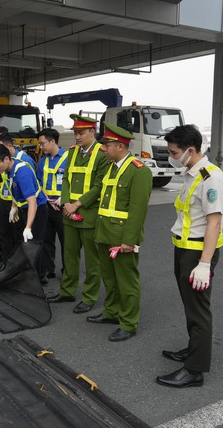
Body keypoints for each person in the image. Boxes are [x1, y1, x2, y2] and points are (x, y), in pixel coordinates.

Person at [156, 125, 223, 388]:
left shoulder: (212, 179)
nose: (170, 155)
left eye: (174, 151)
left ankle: (194, 370)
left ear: (190, 150)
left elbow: (214, 223)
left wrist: (204, 264)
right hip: (185, 248)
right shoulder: (192, 174)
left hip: (198, 252)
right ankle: (193, 348)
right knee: (190, 304)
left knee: (199, 310)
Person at [87, 123, 152, 342]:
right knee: (110, 278)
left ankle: (128, 323)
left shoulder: (139, 171)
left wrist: (129, 240)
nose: (103, 149)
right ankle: (111, 312)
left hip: (122, 237)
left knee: (127, 281)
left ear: (120, 146)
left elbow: (137, 210)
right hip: (105, 233)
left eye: (107, 145)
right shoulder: (112, 167)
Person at [48, 115, 111, 315]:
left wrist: (76, 204)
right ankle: (67, 291)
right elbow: (65, 178)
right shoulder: (73, 152)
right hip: (69, 211)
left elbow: (100, 186)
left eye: (81, 133)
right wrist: (66, 202)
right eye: (75, 133)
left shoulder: (102, 154)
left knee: (93, 261)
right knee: (70, 255)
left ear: (92, 132)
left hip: (89, 214)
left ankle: (89, 297)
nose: (77, 137)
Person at [0, 144, 48, 279]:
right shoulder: (7, 171)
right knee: (21, 242)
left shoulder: (22, 173)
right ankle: (26, 273)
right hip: (23, 208)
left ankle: (40, 277)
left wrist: (28, 227)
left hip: (37, 209)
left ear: (7, 159)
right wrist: (14, 207)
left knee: (34, 244)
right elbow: (15, 190)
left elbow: (33, 203)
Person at [37, 128, 68, 281]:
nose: (41, 147)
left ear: (53, 141)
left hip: (62, 206)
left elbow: (73, 183)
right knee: (46, 239)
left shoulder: (69, 158)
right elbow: (39, 182)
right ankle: (49, 269)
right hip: (46, 205)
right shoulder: (43, 160)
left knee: (66, 241)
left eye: (43, 143)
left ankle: (67, 270)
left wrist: (64, 197)